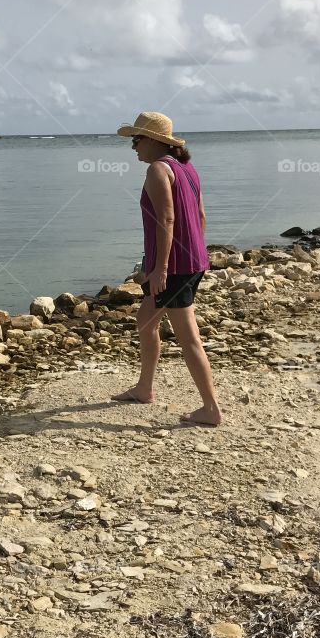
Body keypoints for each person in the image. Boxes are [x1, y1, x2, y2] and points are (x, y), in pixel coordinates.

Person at [110, 111, 222, 426]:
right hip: (190, 262)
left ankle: (211, 408)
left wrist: (161, 268)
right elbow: (201, 217)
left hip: (174, 267)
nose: (133, 147)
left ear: (153, 140)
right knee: (146, 321)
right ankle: (144, 388)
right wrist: (198, 255)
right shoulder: (187, 169)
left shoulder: (159, 170)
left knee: (188, 338)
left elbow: (167, 219)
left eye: (136, 140)